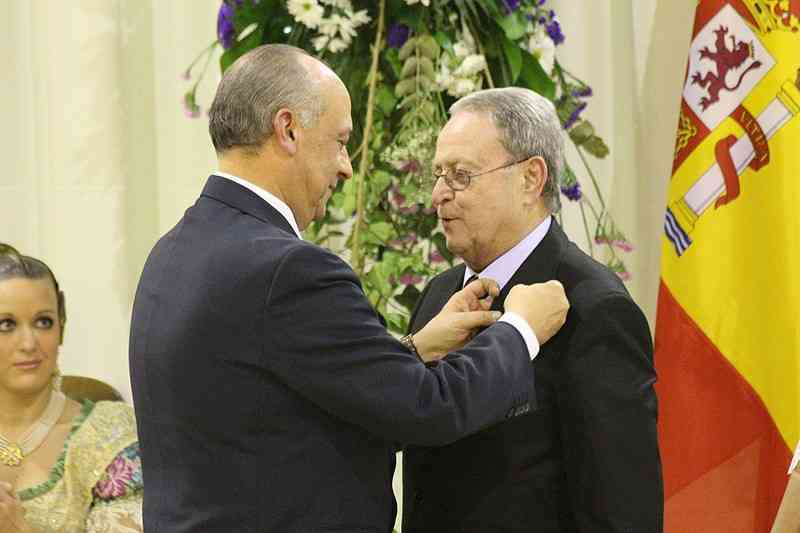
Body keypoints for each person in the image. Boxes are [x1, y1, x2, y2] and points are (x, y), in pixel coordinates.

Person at [129, 43, 569, 532]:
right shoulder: (288, 270)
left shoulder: (171, 253)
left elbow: (278, 402)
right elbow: (427, 409)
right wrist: (520, 329)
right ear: (288, 129)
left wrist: (414, 349)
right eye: (340, 141)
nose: (346, 166)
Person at [401, 87, 663, 532]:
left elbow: (621, 511)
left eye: (461, 175)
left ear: (530, 178)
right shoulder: (439, 294)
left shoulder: (595, 308)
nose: (439, 194)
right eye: (439, 174)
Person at [0, 243, 142, 533]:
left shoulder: (109, 437)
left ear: (61, 326)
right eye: (6, 325)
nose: (29, 343)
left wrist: (18, 529)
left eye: (43, 322)